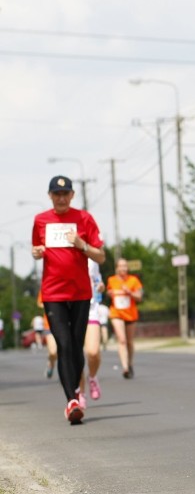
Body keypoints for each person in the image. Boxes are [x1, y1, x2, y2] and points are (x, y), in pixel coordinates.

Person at [31, 176, 106, 424]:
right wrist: (36, 252)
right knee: (63, 344)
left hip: (81, 292)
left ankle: (75, 390)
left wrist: (82, 244)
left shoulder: (84, 219)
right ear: (50, 196)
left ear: (72, 195)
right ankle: (71, 401)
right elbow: (36, 248)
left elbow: (101, 257)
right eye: (56, 194)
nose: (61, 198)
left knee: (75, 345)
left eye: (65, 194)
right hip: (53, 293)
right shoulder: (40, 220)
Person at [107, 258, 144, 379]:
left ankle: (130, 363)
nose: (123, 268)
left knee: (129, 342)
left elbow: (139, 297)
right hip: (116, 313)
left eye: (125, 266)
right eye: (120, 266)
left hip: (130, 314)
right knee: (121, 340)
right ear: (116, 268)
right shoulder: (111, 280)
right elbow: (108, 293)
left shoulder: (133, 280)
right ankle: (125, 368)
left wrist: (130, 293)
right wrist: (110, 293)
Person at [78, 258, 105, 407]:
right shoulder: (62, 251)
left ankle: (92, 377)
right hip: (70, 308)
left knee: (93, 352)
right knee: (76, 356)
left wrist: (100, 285)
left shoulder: (90, 254)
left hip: (90, 307)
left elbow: (96, 277)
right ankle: (81, 393)